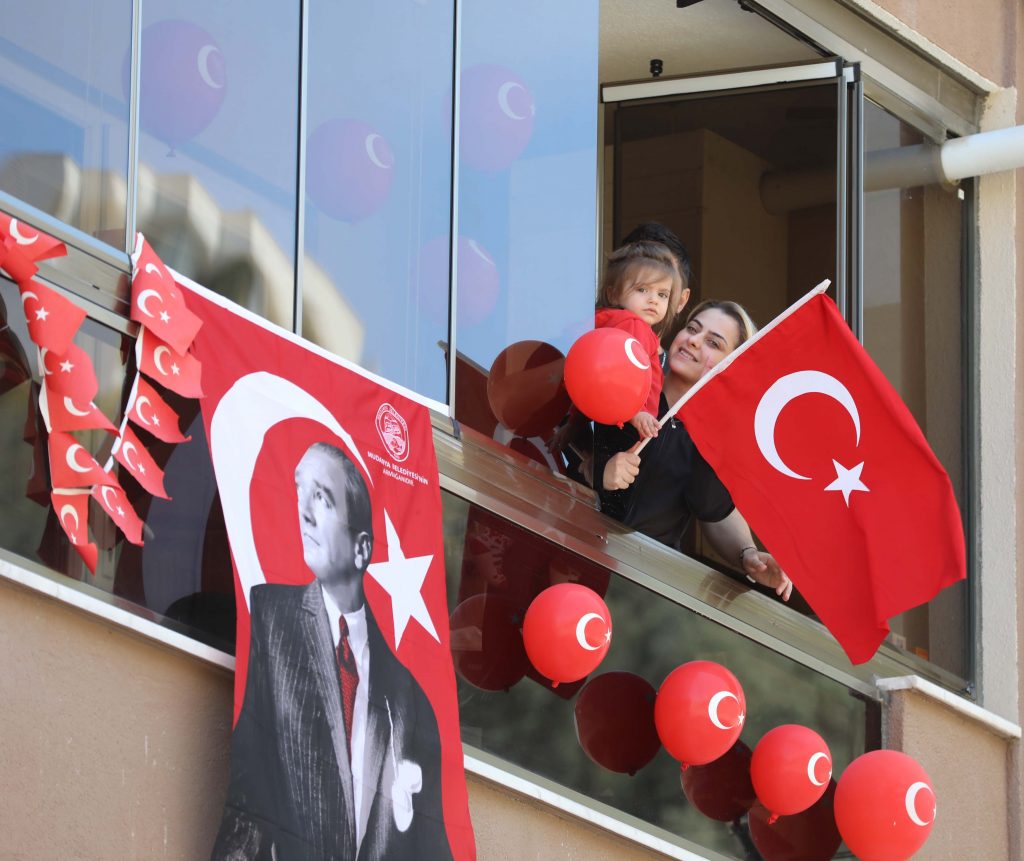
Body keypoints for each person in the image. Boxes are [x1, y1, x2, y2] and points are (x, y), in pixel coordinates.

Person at [211, 442, 452, 861]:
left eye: (321, 498)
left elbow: (430, 845)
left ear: (361, 548)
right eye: (299, 491)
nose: (303, 511)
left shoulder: (407, 697)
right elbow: (246, 798)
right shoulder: (271, 619)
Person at [594, 300, 793, 601]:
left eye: (713, 342)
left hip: (638, 594)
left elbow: (716, 510)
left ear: (732, 366)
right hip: (573, 551)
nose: (694, 340)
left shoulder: (714, 437)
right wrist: (601, 470)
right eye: (692, 329)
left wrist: (747, 555)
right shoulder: (626, 375)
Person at [594, 240, 684, 439]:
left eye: (662, 294)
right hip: (629, 422)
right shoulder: (633, 325)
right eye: (642, 290)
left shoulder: (609, 324)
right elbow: (627, 374)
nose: (653, 300)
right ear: (613, 293)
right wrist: (637, 411)